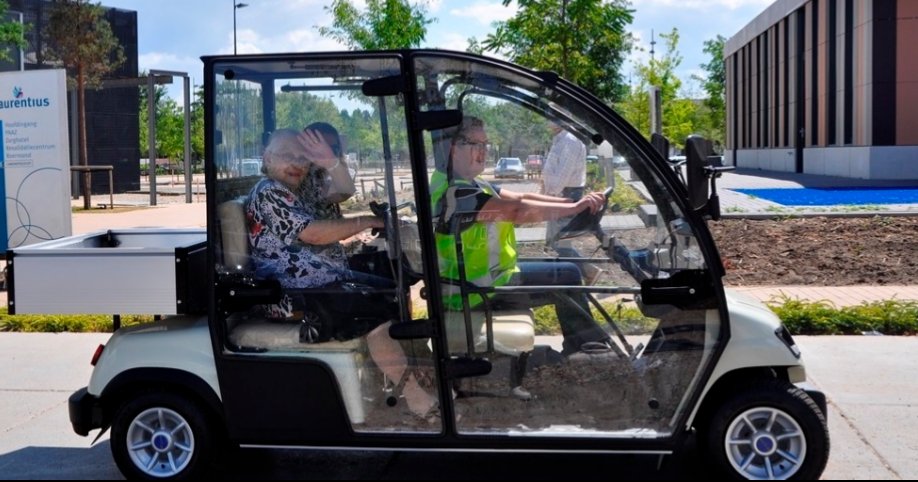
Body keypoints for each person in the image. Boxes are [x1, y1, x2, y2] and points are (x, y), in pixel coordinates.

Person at [246, 128, 438, 420]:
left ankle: (415, 376)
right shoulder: (269, 191)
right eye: (287, 156)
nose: (296, 162)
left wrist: (331, 161)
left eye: (302, 157)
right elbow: (313, 233)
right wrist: (367, 220)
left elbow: (343, 191)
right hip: (293, 296)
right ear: (267, 157)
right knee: (373, 311)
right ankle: (416, 398)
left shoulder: (295, 188)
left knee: (390, 290)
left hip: (319, 282)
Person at [430, 116, 612, 356]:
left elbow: (520, 199)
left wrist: (573, 202)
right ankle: (588, 350)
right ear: (454, 147)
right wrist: (573, 210)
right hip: (475, 293)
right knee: (568, 273)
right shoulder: (455, 192)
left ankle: (587, 347)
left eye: (486, 145)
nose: (483, 152)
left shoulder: (470, 183)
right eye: (476, 145)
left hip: (488, 281)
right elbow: (515, 211)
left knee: (563, 268)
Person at [541, 122, 603, 285]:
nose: (547, 119)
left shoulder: (570, 140)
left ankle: (587, 272)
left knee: (558, 241)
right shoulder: (560, 139)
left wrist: (548, 196)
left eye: (552, 114)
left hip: (564, 194)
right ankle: (578, 275)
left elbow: (562, 177)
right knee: (556, 241)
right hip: (560, 193)